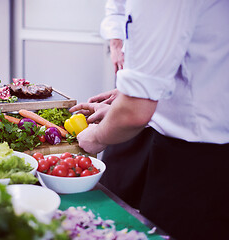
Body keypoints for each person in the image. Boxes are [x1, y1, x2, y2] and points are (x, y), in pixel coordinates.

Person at [73, 0, 229, 239]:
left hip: (198, 162)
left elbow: (134, 113)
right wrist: (130, 95)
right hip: (172, 134)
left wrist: (96, 135)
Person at [73, 0, 153, 209]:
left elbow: (140, 108)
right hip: (139, 99)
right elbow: (116, 9)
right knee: (113, 193)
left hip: (188, 141)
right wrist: (116, 43)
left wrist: (99, 135)